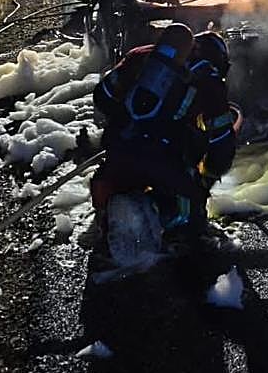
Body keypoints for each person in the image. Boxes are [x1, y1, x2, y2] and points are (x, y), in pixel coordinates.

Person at [90, 24, 236, 240]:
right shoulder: (210, 81)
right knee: (190, 220)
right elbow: (222, 144)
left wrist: (127, 120)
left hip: (119, 147)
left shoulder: (142, 55)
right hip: (164, 163)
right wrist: (206, 179)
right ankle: (185, 250)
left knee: (112, 191)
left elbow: (102, 96)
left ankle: (109, 221)